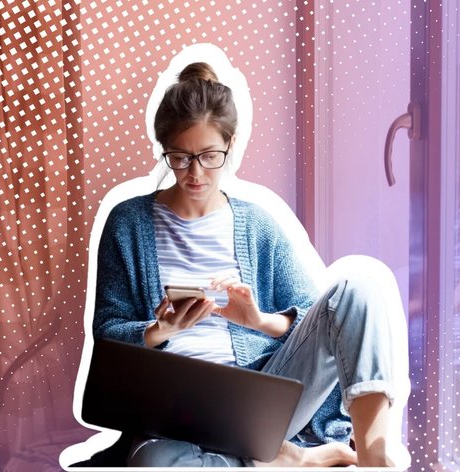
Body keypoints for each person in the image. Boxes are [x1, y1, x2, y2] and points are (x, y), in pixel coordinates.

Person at [92, 61, 395, 467]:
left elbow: (324, 319)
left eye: (209, 156)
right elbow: (107, 331)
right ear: (163, 150)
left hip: (261, 400)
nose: (195, 173)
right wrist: (158, 329)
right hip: (171, 416)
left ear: (230, 145)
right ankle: (290, 460)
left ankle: (374, 457)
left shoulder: (256, 225)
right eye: (180, 158)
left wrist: (258, 320)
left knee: (359, 289)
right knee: (155, 465)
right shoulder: (127, 223)